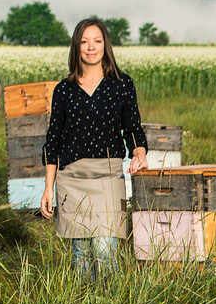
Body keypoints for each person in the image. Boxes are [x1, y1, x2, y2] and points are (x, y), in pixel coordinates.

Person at [39, 18, 148, 280]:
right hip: (72, 179)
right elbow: (53, 141)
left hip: (108, 177)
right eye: (84, 41)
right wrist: (47, 188)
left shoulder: (122, 84)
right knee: (81, 256)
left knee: (105, 251)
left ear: (105, 45)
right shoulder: (64, 90)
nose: (91, 47)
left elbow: (133, 128)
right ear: (76, 47)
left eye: (97, 41)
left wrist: (139, 153)